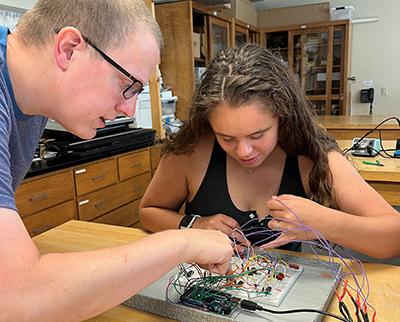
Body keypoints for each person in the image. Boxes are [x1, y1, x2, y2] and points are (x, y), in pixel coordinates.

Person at [0, 1, 233, 320]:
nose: (128, 109)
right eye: (128, 86)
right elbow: (18, 297)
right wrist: (183, 243)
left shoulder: (33, 98)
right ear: (69, 49)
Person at [140, 44, 400, 259]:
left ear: (282, 117)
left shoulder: (312, 156)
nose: (243, 151)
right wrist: (194, 224)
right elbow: (148, 211)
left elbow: (393, 236)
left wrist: (325, 223)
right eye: (226, 138)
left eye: (257, 135)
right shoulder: (191, 152)